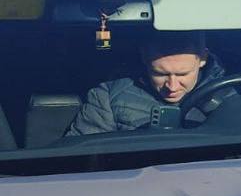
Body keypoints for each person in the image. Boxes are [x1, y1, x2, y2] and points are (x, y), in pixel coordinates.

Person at [67, 31, 227, 135]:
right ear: (144, 58)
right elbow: (81, 156)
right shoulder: (109, 97)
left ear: (203, 59)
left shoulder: (228, 97)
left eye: (182, 74)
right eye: (160, 74)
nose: (172, 86)